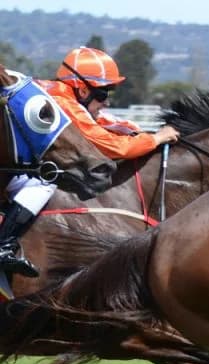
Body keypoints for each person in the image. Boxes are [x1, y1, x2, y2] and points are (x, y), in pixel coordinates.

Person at [0, 47, 180, 277]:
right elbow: (109, 145)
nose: (106, 101)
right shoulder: (62, 102)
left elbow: (109, 122)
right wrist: (155, 138)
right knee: (44, 182)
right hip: (15, 166)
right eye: (104, 93)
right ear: (83, 89)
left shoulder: (65, 96)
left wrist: (143, 134)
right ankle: (3, 244)